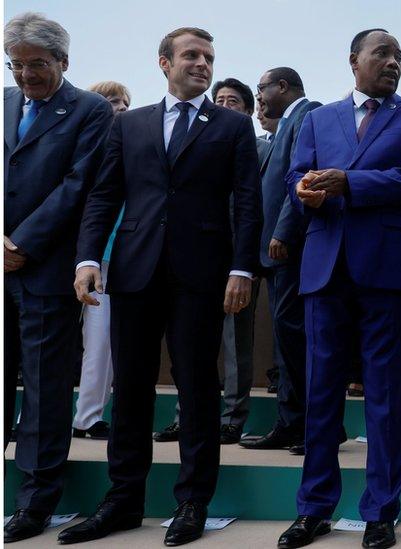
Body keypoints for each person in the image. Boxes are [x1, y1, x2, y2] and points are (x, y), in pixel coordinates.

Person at [63, 27, 261, 546]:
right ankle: (123, 500)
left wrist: (242, 269)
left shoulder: (234, 127)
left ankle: (193, 501)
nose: (202, 64)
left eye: (209, 57)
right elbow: (103, 195)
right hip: (134, 271)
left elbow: (247, 202)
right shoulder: (128, 125)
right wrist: (88, 258)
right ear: (163, 63)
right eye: (191, 55)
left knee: (198, 388)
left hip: (202, 275)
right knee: (129, 388)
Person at [276, 29, 401, 549]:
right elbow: (295, 175)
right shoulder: (317, 118)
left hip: (387, 271)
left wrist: (350, 183)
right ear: (354, 61)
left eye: (399, 57)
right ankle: (314, 509)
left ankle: (380, 513)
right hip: (326, 269)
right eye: (382, 54)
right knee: (320, 392)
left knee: (386, 397)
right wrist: (306, 190)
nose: (393, 63)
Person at [3, 12, 114, 543]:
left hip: (44, 269)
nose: (25, 76)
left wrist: (21, 243)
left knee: (45, 389)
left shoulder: (90, 111)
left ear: (63, 62)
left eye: (37, 65)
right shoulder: (3, 104)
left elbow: (78, 186)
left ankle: (36, 501)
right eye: (16, 65)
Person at [153, 77, 266, 445]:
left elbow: (253, 204)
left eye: (234, 100)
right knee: (185, 348)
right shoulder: (186, 139)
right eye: (220, 99)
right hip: (190, 257)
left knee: (235, 342)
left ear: (249, 110)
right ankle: (183, 418)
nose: (225, 104)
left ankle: (232, 417)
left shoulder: (258, 146)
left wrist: (243, 264)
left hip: (236, 258)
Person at [242, 67, 322, 454]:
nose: (259, 97)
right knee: (285, 341)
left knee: (297, 339)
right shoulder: (283, 125)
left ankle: (318, 426)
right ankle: (290, 423)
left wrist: (283, 231)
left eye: (261, 88)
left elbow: (302, 177)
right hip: (274, 254)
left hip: (290, 248)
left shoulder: (308, 114)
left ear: (283, 87)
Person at [71, 81, 131, 442]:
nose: (121, 106)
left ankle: (88, 418)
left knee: (102, 341)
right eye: (112, 101)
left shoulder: (132, 147)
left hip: (115, 259)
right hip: (76, 256)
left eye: (125, 101)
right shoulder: (85, 147)